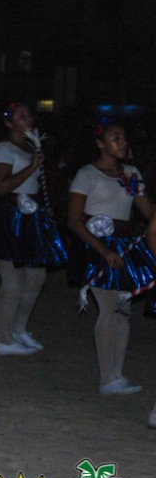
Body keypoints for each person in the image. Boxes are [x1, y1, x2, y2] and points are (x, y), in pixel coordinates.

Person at [67, 121, 153, 395]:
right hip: (98, 246)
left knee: (123, 310)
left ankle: (117, 374)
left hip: (125, 246)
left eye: (124, 137)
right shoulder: (87, 174)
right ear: (100, 143)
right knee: (109, 308)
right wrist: (103, 250)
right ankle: (107, 378)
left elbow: (148, 211)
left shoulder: (131, 173)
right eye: (116, 138)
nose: (123, 142)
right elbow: (73, 220)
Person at [0, 103, 67, 355]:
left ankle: (19, 329)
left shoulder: (31, 148)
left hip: (29, 216)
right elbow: (1, 187)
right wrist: (32, 167)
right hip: (7, 216)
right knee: (12, 281)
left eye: (29, 115)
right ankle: (4, 340)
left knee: (37, 277)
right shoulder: (3, 148)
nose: (28, 119)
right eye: (21, 116)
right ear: (9, 123)